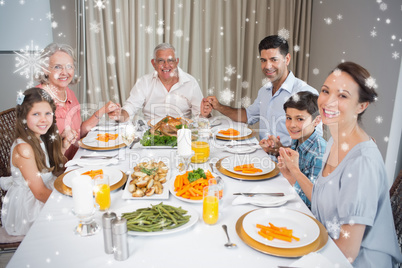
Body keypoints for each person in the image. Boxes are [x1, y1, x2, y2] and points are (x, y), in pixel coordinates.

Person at [280, 62, 402, 266]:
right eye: (326, 91)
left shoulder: (362, 163)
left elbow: (347, 253)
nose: (328, 102)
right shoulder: (334, 142)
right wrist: (295, 171)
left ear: (362, 106)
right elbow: (321, 197)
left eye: (343, 96)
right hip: (326, 246)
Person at [205, 35, 319, 154]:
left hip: (289, 166)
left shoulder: (307, 93)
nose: (267, 66)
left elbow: (313, 146)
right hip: (262, 158)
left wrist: (280, 150)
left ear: (287, 59)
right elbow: (247, 116)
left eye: (274, 59)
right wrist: (218, 106)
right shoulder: (264, 91)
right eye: (263, 60)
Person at [1, 88, 69, 235]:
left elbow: (45, 169)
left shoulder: (39, 136)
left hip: (43, 190)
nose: (44, 119)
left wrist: (63, 148)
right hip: (29, 206)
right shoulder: (23, 148)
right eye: (36, 114)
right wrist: (68, 201)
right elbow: (39, 193)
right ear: (24, 117)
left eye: (47, 113)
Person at [36, 43, 121, 160]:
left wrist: (103, 110)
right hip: (56, 170)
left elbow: (79, 132)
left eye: (69, 66)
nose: (64, 72)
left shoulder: (69, 93)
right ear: (45, 69)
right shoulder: (37, 100)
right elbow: (37, 154)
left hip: (77, 159)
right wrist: (63, 143)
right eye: (57, 67)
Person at [116, 43, 209, 122]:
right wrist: (118, 115)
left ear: (177, 62)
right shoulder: (144, 82)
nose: (166, 65)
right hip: (151, 135)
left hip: (181, 134)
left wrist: (205, 114)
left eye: (170, 61)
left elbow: (201, 117)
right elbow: (130, 108)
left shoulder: (190, 82)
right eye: (161, 61)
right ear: (154, 63)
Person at [266, 91, 326, 209]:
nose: (292, 125)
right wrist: (277, 149)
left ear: (317, 120)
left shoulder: (320, 154)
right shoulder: (299, 138)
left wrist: (290, 176)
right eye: (289, 118)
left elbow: (313, 203)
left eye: (299, 119)